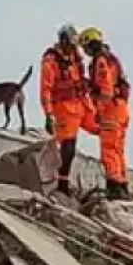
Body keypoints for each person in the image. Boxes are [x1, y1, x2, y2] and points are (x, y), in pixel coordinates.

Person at [40, 24, 96, 196]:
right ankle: (62, 184)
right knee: (68, 146)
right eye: (70, 43)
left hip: (82, 104)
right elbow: (46, 89)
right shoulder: (51, 60)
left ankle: (115, 179)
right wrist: (49, 115)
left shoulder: (75, 57)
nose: (73, 47)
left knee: (105, 129)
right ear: (63, 40)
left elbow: (81, 78)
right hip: (63, 108)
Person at [79, 26, 132, 200]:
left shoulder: (100, 61)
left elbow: (106, 89)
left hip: (111, 109)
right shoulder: (111, 59)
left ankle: (114, 187)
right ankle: (123, 184)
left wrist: (99, 111)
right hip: (122, 107)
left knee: (109, 149)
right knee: (118, 150)